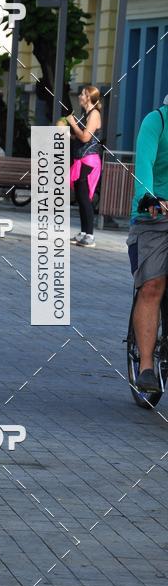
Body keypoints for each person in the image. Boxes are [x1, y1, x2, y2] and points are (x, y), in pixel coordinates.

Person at [127, 97, 168, 393]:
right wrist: (149, 197)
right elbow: (144, 165)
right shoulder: (157, 121)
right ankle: (146, 366)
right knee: (153, 285)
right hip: (154, 216)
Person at [67, 86, 103, 249]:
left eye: (82, 94)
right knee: (80, 198)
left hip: (89, 160)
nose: (80, 96)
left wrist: (73, 123)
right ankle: (83, 232)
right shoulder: (86, 114)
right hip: (81, 159)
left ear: (88, 97)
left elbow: (86, 137)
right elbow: (80, 137)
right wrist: (69, 133)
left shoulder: (94, 114)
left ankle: (90, 235)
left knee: (84, 198)